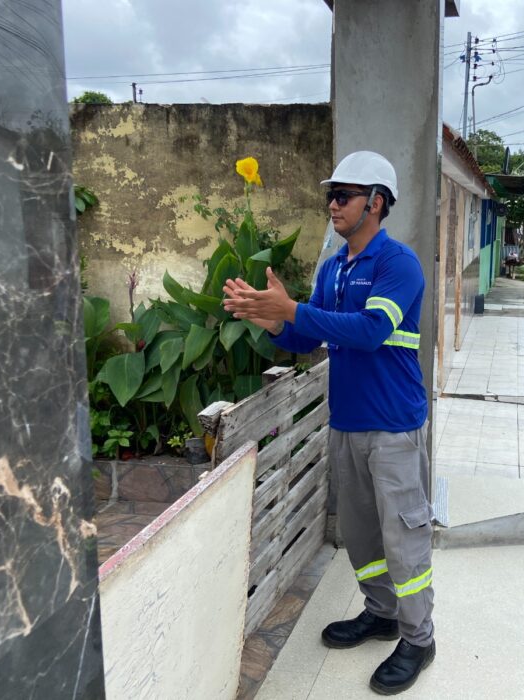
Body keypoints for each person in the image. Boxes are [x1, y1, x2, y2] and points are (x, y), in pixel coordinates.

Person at [222, 151, 435, 696]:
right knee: (362, 535)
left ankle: (417, 638)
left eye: (344, 195)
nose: (333, 205)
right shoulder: (333, 267)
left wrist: (292, 309)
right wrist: (272, 319)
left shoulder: (398, 264)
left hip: (393, 426)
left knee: (404, 538)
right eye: (330, 196)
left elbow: (367, 332)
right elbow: (308, 338)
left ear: (377, 202)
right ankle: (381, 613)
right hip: (347, 423)